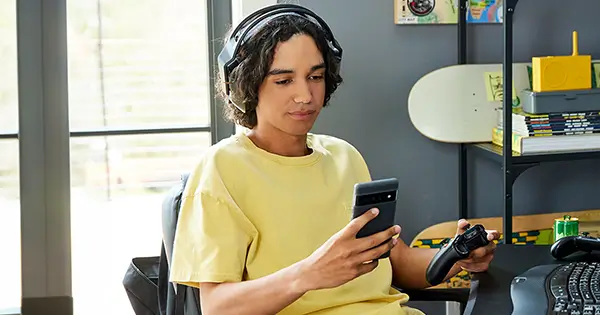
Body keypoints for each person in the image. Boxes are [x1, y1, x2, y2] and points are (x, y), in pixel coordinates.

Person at [169, 4, 500, 315]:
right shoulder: (223, 169)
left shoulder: (344, 156)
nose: (305, 95)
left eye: (315, 76)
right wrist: (310, 274)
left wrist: (456, 256)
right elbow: (217, 306)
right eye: (284, 80)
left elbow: (398, 263)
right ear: (245, 85)